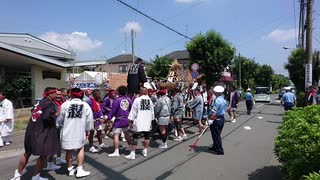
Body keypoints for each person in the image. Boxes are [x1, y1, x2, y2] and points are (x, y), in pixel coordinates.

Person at [10, 87, 60, 180]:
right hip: (41, 132)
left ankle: (17, 174)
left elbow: (32, 111)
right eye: (55, 94)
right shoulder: (50, 104)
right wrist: (56, 114)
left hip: (31, 131)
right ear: (49, 94)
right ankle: (36, 177)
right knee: (44, 154)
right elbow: (46, 117)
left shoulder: (40, 102)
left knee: (27, 153)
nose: (57, 95)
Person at [56, 88, 93, 178]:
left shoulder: (65, 105)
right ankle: (79, 169)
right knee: (80, 148)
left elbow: (59, 120)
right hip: (80, 131)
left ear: (71, 95)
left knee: (69, 150)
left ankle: (70, 169)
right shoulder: (85, 105)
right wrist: (88, 130)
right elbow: (89, 121)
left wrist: (57, 125)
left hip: (67, 131)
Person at [125, 88, 154, 160]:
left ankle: (132, 153)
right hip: (147, 121)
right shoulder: (149, 100)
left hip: (139, 120)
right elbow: (152, 112)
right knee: (147, 136)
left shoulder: (137, 100)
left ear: (141, 92)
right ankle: (145, 150)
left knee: (135, 136)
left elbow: (133, 111)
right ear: (147, 92)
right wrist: (151, 121)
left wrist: (131, 121)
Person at [105, 86, 132, 158]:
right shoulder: (129, 99)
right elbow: (131, 109)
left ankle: (116, 151)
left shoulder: (117, 100)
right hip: (126, 119)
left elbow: (112, 111)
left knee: (116, 135)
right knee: (127, 134)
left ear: (119, 92)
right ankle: (130, 147)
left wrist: (107, 119)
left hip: (119, 120)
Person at [43, 89, 66, 171]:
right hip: (51, 127)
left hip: (60, 126)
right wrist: (56, 113)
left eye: (60, 94)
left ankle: (59, 159)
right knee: (51, 146)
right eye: (57, 94)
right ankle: (49, 163)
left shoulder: (63, 101)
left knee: (59, 144)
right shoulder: (50, 103)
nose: (59, 96)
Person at [207, 85, 227, 155]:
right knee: (215, 134)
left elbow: (214, 111)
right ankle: (215, 146)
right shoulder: (223, 99)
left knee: (216, 135)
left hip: (216, 119)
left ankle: (219, 149)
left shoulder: (217, 100)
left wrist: (211, 119)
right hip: (221, 119)